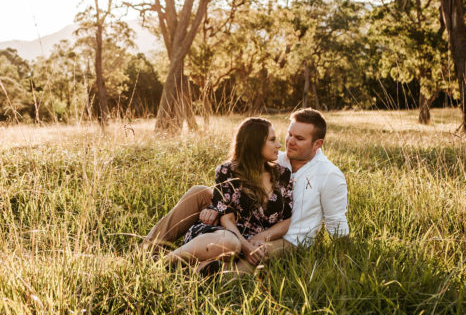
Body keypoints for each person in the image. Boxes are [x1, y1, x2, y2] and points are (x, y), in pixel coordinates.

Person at [144, 108, 349, 273]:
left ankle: (198, 273)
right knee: (199, 191)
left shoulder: (330, 175)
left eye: (299, 138)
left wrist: (344, 260)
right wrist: (218, 206)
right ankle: (146, 250)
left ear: (317, 144)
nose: (288, 142)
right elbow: (235, 183)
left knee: (250, 260)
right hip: (246, 222)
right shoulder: (279, 158)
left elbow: (337, 222)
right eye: (289, 134)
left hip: (287, 239)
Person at [161, 117, 294, 274]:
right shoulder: (226, 171)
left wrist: (259, 239)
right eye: (272, 140)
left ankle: (194, 271)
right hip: (222, 235)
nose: (279, 145)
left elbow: (286, 220)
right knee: (231, 244)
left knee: (263, 255)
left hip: (255, 242)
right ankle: (163, 263)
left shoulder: (283, 174)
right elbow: (226, 218)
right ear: (255, 144)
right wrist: (245, 246)